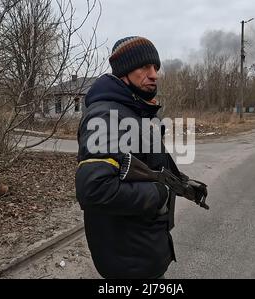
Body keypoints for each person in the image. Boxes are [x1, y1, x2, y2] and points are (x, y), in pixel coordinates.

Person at [75, 36, 207, 279]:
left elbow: (151, 167)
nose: (154, 74)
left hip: (143, 249)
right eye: (144, 67)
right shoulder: (106, 116)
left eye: (156, 67)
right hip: (129, 260)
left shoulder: (134, 113)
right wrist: (159, 195)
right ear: (124, 71)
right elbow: (93, 189)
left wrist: (182, 184)